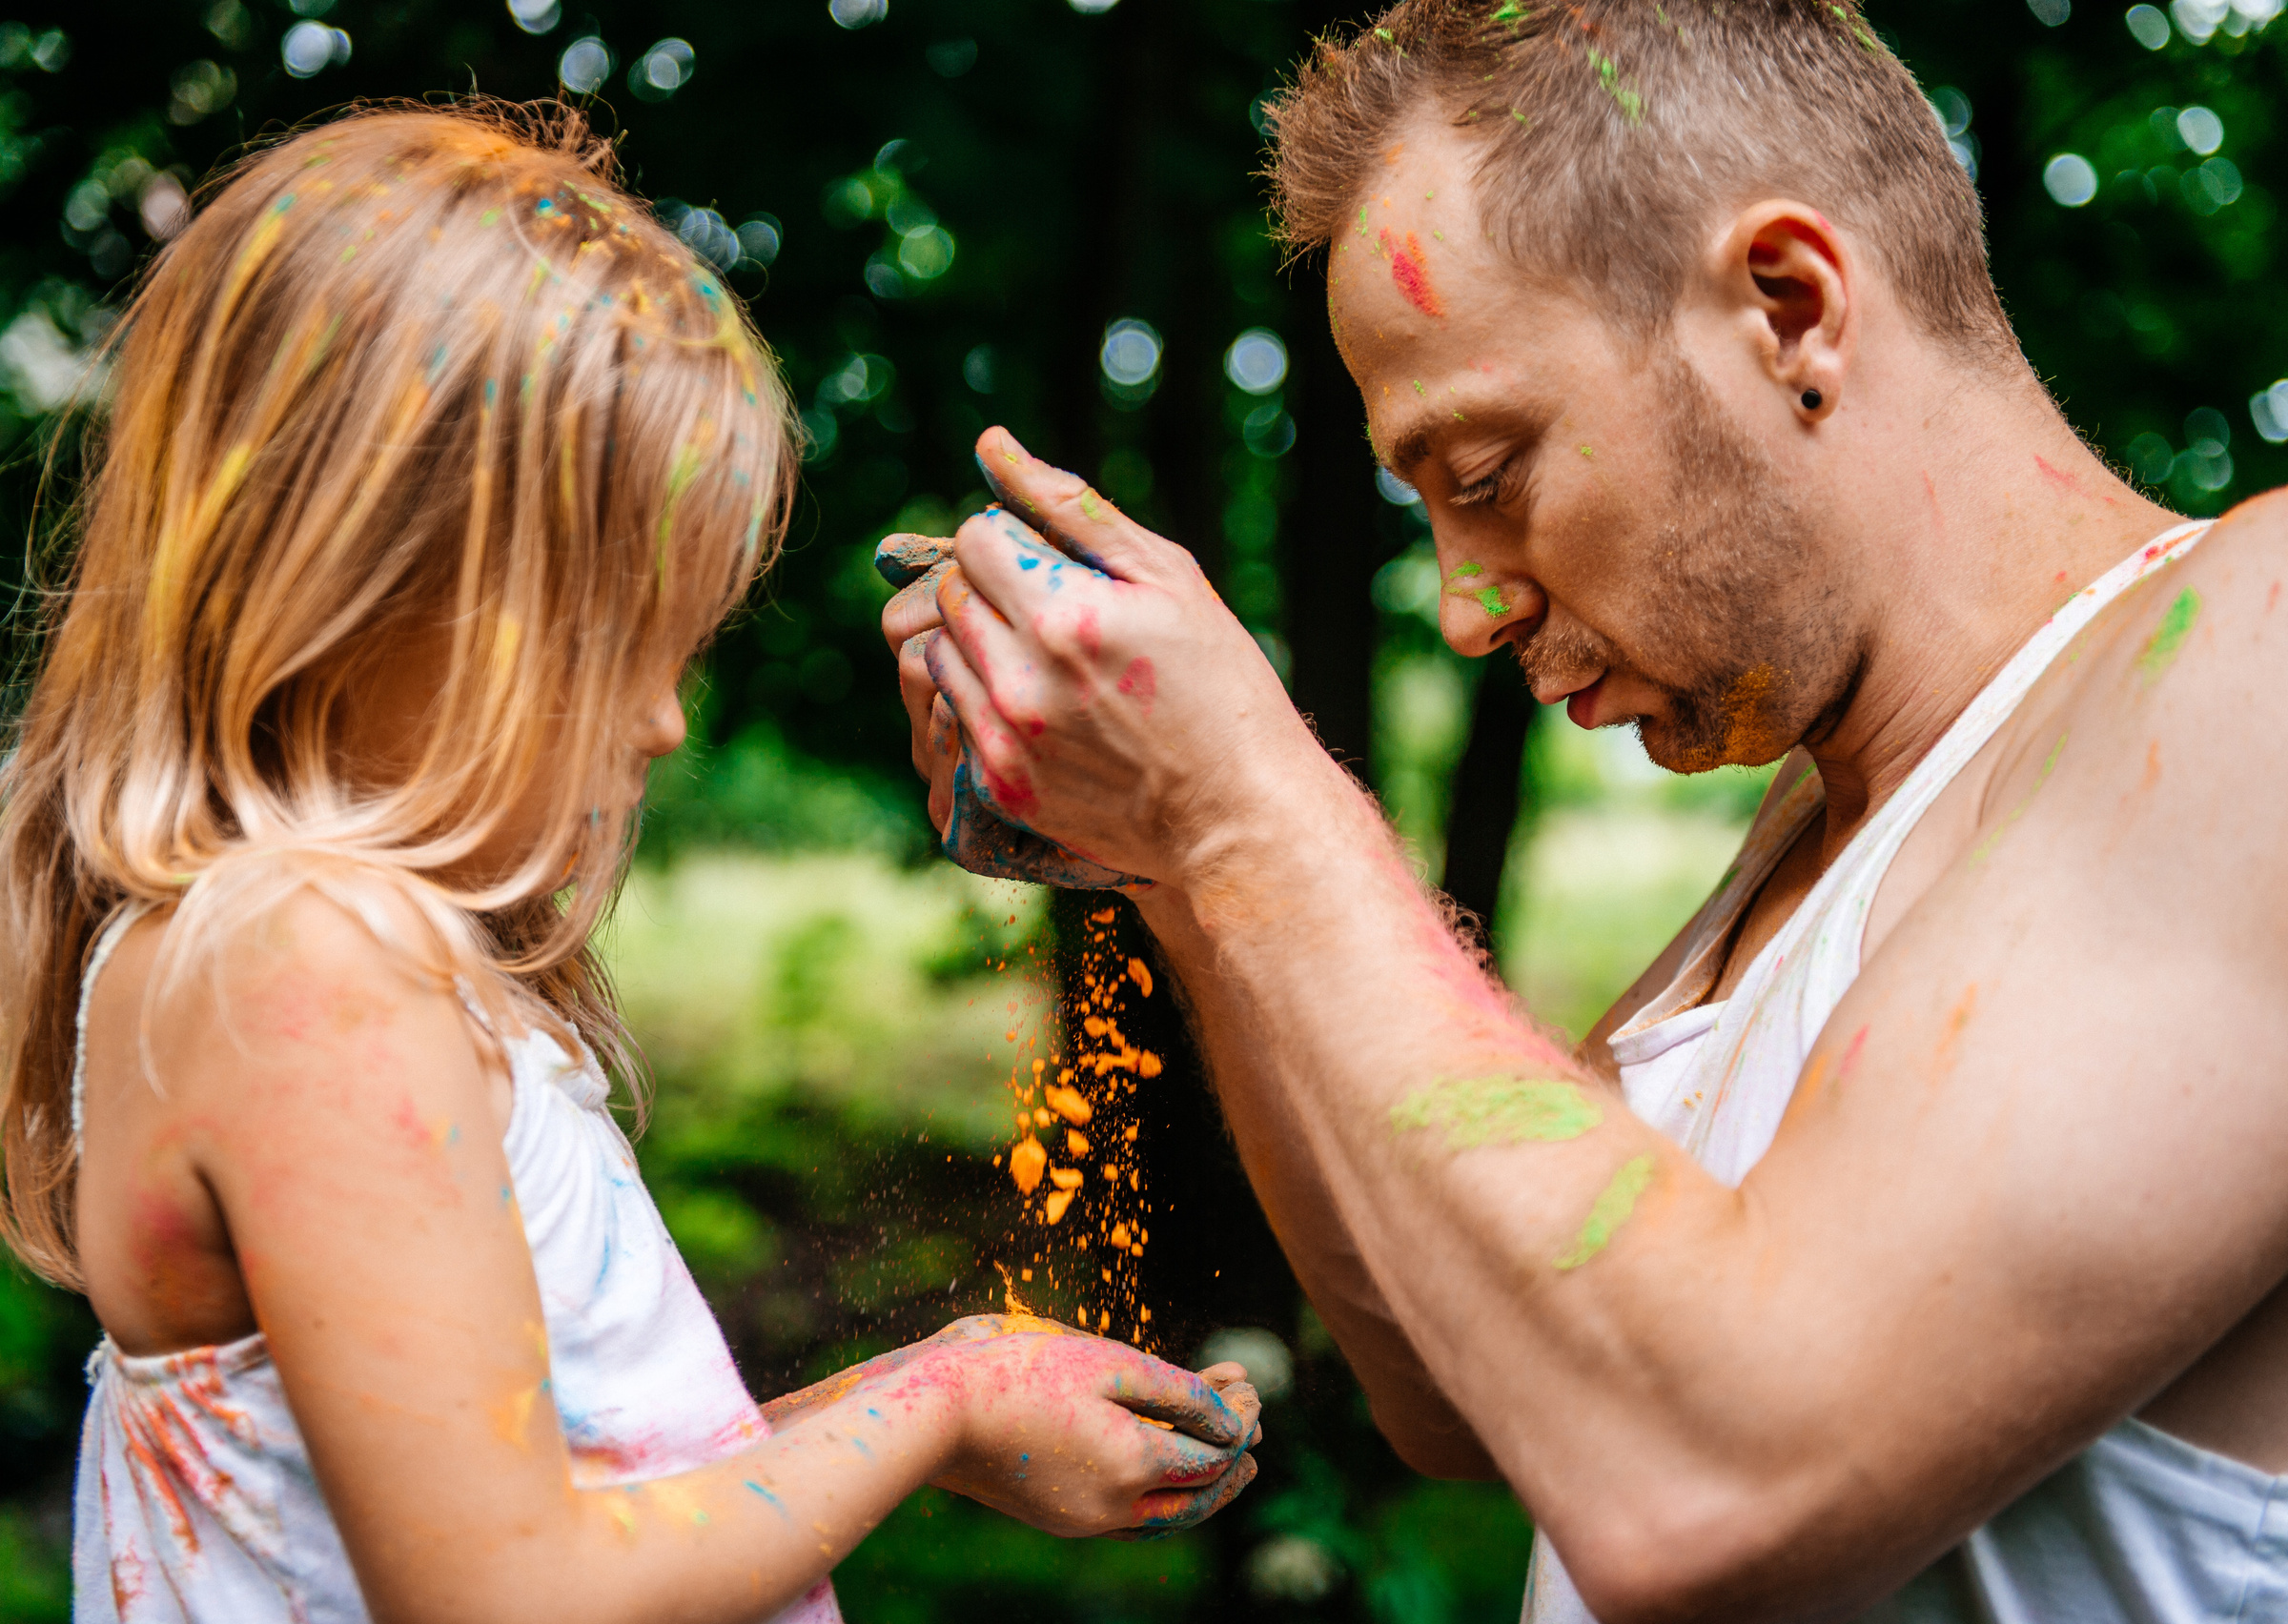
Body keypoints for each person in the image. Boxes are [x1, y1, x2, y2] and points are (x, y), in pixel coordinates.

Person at [878, 2, 2288, 1619]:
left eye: (1482, 474)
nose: (1466, 605)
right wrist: (1172, 868)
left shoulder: (2252, 650)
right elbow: (1464, 1387)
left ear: (1790, 306)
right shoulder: (1813, 838)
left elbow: (1716, 1485)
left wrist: (1245, 803)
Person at [0, 104, 1260, 1624]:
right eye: (618, 646)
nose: (660, 725)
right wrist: (945, 1406)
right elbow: (513, 1596)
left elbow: (541, 1511)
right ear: (382, 577)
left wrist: (935, 1386)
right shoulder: (304, 958)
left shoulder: (314, 954)